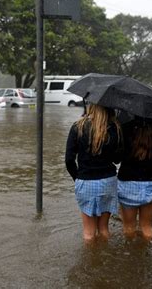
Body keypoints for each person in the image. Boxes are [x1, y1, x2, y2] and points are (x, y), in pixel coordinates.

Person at [65, 103, 122, 243]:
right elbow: (117, 159)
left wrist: (77, 177)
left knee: (89, 233)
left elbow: (69, 160)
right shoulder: (115, 127)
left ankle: (91, 262)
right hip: (108, 181)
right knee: (104, 229)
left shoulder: (77, 127)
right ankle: (104, 261)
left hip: (86, 181)